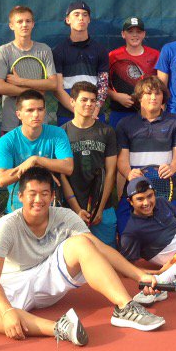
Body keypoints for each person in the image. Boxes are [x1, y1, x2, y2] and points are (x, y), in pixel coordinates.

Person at [0, 166, 165, 345]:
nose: (38, 200)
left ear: (52, 196)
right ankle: (60, 328)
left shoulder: (65, 216)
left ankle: (125, 307)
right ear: (21, 196)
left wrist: (139, 276)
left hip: (48, 277)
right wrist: (7, 312)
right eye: (32, 194)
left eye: (44, 194)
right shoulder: (5, 226)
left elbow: (100, 249)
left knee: (82, 243)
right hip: (13, 285)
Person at [115, 76, 176, 233]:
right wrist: (128, 173)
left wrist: (172, 167)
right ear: (139, 97)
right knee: (125, 235)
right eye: (148, 93)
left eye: (158, 93)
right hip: (135, 193)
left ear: (163, 98)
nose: (153, 97)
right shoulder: (124, 124)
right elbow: (122, 159)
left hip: (168, 193)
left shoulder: (175, 121)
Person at [0, 90, 74, 213]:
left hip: (50, 207)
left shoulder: (57, 133)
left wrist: (35, 160)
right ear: (18, 114)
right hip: (17, 208)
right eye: (30, 110)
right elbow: (2, 179)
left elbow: (68, 167)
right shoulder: (6, 141)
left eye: (40, 109)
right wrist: (36, 167)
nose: (36, 114)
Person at [60, 81, 119, 246]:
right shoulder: (61, 133)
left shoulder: (107, 132)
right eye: (84, 100)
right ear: (72, 102)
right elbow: (62, 175)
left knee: (108, 258)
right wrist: (76, 209)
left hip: (103, 208)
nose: (89, 104)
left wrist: (99, 208)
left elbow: (110, 172)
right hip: (71, 209)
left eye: (93, 101)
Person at [0, 5, 65, 134]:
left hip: (39, 122)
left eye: (28, 21)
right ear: (11, 26)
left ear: (33, 24)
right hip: (11, 123)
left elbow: (53, 83)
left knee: (41, 155)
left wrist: (20, 81)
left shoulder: (44, 50)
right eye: (19, 22)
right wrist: (34, 92)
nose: (24, 25)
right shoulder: (4, 51)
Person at [53, 1, 109, 125]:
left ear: (89, 19)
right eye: (76, 14)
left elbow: (103, 84)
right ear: (68, 20)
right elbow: (57, 88)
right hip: (67, 115)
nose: (81, 18)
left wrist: (95, 109)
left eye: (84, 15)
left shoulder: (100, 50)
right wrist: (79, 111)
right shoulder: (58, 51)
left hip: (95, 115)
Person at [107, 16, 159, 129]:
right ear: (123, 34)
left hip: (147, 113)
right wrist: (116, 96)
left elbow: (161, 85)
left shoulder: (155, 55)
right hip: (119, 112)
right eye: (130, 32)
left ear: (144, 34)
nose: (135, 35)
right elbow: (102, 85)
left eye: (138, 32)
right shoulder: (113, 56)